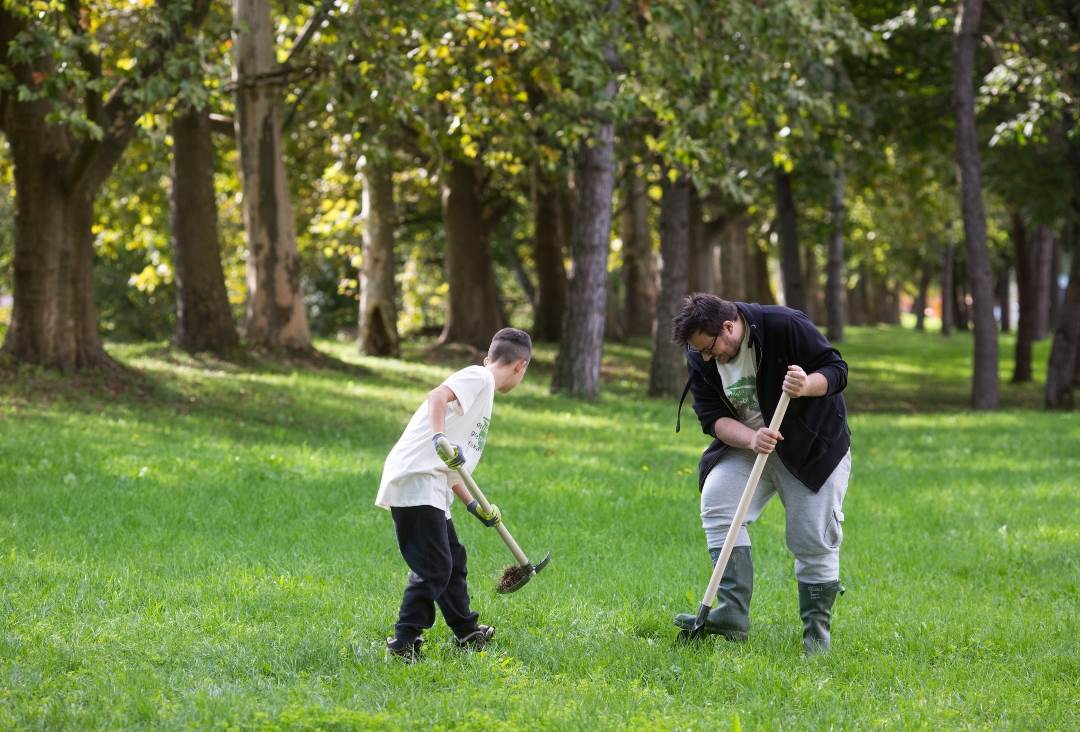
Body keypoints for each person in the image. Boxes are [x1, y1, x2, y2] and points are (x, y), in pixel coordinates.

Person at [670, 295, 851, 654]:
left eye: (710, 348)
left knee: (812, 538)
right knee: (719, 501)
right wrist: (752, 437)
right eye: (699, 352)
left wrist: (806, 385)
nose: (706, 358)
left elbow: (836, 370)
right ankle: (731, 616)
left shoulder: (784, 326)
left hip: (809, 448)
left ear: (728, 327)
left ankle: (817, 635)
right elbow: (712, 418)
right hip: (752, 445)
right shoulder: (701, 355)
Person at [376, 328, 532, 662]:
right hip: (416, 477)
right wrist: (438, 438)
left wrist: (474, 505)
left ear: (490, 356)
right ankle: (404, 640)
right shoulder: (479, 377)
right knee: (434, 565)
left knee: (453, 559)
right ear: (521, 367)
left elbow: (453, 468)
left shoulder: (482, 387)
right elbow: (436, 397)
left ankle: (466, 631)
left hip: (433, 483)